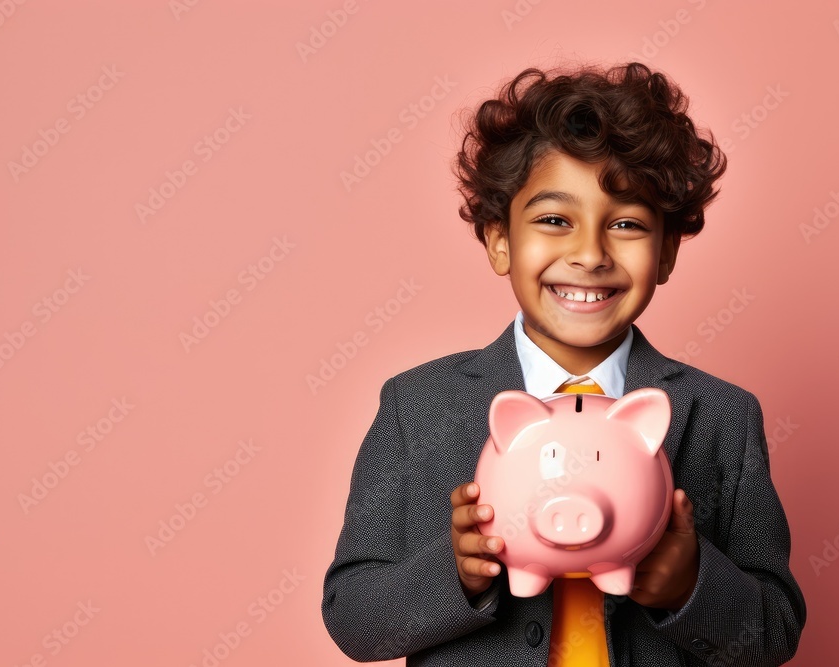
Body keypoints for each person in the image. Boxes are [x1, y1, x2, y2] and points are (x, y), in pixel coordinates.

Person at [322, 60, 806, 666]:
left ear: (668, 253)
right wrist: (458, 572)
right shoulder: (420, 404)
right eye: (555, 221)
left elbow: (773, 634)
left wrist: (690, 584)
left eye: (627, 224)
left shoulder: (720, 416)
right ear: (500, 239)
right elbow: (354, 620)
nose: (589, 254)